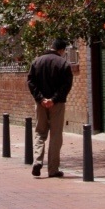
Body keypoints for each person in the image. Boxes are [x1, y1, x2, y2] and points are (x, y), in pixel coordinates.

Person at [27, 38, 73, 178]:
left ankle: (37, 161)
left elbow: (31, 82)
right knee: (56, 134)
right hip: (57, 104)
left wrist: (40, 99)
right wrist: (53, 100)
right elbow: (66, 85)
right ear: (62, 50)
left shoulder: (37, 61)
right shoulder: (64, 63)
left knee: (40, 132)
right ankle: (53, 169)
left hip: (40, 104)